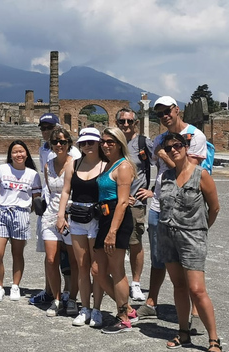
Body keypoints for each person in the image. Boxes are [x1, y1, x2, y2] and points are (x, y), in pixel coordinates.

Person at [142, 96, 209, 331]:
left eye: (167, 111)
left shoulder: (195, 136)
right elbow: (160, 174)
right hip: (160, 204)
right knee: (160, 256)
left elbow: (188, 172)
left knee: (188, 260)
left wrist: (162, 153)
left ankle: (195, 309)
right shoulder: (160, 138)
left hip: (185, 207)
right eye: (159, 114)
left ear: (177, 110)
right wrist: (152, 192)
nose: (164, 117)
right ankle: (151, 301)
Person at [158, 133, 221, 352]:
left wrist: (201, 230)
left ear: (186, 147)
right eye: (168, 148)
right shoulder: (165, 176)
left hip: (192, 237)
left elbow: (214, 208)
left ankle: (213, 339)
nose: (173, 150)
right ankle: (183, 332)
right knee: (179, 286)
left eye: (177, 146)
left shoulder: (200, 175)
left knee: (197, 289)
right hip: (167, 236)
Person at [57, 127, 106, 327]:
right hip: (77, 218)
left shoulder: (106, 165)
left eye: (91, 142)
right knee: (82, 266)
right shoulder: (73, 165)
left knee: (97, 268)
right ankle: (85, 308)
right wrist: (61, 215)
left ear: (99, 143)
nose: (87, 146)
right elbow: (66, 191)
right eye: (84, 143)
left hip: (96, 219)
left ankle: (97, 309)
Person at [31, 113, 80, 310]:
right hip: (50, 213)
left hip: (69, 214)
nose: (58, 145)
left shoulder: (75, 160)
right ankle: (56, 298)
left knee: (73, 260)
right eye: (55, 142)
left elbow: (73, 190)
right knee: (51, 258)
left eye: (62, 141)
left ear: (68, 143)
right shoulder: (46, 162)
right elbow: (48, 189)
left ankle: (73, 297)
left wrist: (65, 213)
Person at [93, 127, 138, 334]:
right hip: (105, 218)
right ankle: (127, 308)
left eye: (110, 141)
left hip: (116, 220)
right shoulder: (108, 164)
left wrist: (112, 231)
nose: (105, 144)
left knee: (117, 269)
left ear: (120, 143)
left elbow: (121, 203)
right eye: (103, 141)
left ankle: (123, 318)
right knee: (98, 271)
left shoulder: (124, 166)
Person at [0, 140, 42, 302]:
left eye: (21, 152)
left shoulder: (33, 175)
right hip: (0, 213)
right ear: (10, 154)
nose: (18, 155)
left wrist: (25, 211)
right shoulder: (2, 170)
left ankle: (15, 286)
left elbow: (36, 199)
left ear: (26, 154)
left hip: (20, 214)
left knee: (17, 253)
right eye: (15, 152)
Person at [115, 108, 151, 302]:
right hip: (113, 201)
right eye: (122, 122)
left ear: (136, 123)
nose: (126, 125)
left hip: (135, 203)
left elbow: (164, 165)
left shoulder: (143, 143)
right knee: (110, 241)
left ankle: (135, 284)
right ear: (117, 123)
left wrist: (153, 191)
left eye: (130, 122)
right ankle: (115, 279)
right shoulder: (111, 142)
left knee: (134, 242)